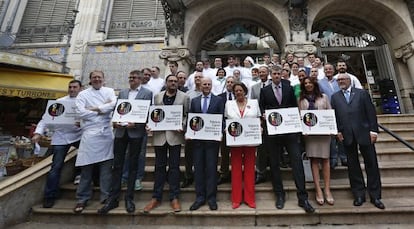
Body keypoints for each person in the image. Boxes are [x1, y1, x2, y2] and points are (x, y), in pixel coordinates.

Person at [259, 65, 315, 213]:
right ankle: (279, 195)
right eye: (274, 74)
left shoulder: (288, 86)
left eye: (279, 73)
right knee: (275, 164)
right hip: (273, 131)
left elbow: (293, 105)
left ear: (282, 74)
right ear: (271, 75)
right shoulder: (264, 90)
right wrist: (264, 115)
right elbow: (262, 107)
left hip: (290, 131)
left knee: (296, 162)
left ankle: (303, 197)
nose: (277, 76)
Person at [98, 70, 152, 214]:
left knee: (133, 165)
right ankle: (113, 198)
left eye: (134, 78)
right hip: (121, 132)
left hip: (136, 133)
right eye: (130, 77)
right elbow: (118, 110)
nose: (131, 80)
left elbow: (147, 112)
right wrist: (114, 122)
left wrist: (137, 124)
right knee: (117, 165)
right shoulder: (122, 93)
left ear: (140, 79)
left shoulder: (147, 93)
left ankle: (129, 198)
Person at [331, 73, 385, 210]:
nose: (341, 82)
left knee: (371, 164)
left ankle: (375, 195)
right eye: (339, 80)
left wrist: (374, 130)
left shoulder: (361, 94)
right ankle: (359, 194)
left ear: (349, 80)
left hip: (365, 133)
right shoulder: (335, 97)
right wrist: (337, 131)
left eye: (343, 79)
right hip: (347, 135)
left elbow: (371, 112)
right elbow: (335, 116)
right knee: (353, 166)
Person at [32, 80, 82, 208]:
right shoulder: (59, 102)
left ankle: (80, 175)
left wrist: (82, 123)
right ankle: (50, 196)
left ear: (80, 88)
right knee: (55, 167)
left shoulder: (84, 101)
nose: (72, 89)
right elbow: (45, 120)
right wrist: (38, 133)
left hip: (79, 136)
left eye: (75, 87)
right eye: (70, 87)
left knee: (88, 159)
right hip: (61, 137)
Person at [143, 74, 190, 213]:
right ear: (166, 82)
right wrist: (150, 124)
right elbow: (153, 113)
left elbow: (187, 115)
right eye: (171, 81)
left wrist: (182, 125)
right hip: (159, 136)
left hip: (175, 136)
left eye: (176, 81)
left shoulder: (184, 97)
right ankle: (156, 197)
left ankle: (174, 197)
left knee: (174, 168)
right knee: (159, 167)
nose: (173, 83)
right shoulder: (157, 96)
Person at [74, 70, 116, 213]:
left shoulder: (110, 91)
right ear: (90, 80)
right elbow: (80, 113)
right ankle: (82, 198)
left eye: (99, 77)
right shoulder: (83, 94)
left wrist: (94, 109)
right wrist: (102, 110)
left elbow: (113, 105)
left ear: (104, 79)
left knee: (106, 169)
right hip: (89, 134)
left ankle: (105, 196)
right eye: (94, 77)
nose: (97, 79)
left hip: (105, 133)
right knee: (86, 169)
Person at [188, 77, 224, 211]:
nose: (207, 86)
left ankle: (211, 198)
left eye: (209, 84)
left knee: (211, 169)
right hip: (197, 142)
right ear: (200, 85)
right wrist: (189, 132)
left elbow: (221, 119)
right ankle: (200, 197)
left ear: (211, 85)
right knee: (198, 169)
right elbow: (192, 120)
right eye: (204, 84)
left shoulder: (218, 100)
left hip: (212, 142)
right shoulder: (194, 101)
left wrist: (220, 132)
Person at [298, 77, 334, 206]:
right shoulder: (301, 100)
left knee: (325, 159)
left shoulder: (324, 97)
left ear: (314, 84)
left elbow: (329, 113)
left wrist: (331, 128)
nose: (308, 85)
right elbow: (299, 116)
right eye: (306, 83)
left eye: (310, 83)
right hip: (310, 135)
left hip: (324, 133)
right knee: (313, 160)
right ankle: (318, 190)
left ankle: (327, 189)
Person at [225, 82, 261, 209]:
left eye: (240, 90)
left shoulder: (254, 103)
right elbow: (226, 120)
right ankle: (236, 199)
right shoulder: (229, 104)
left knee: (250, 169)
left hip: (250, 140)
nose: (238, 92)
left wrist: (259, 128)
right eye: (236, 91)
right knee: (235, 169)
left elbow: (258, 118)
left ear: (245, 91)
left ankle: (250, 198)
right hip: (235, 140)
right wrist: (226, 129)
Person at [181, 71, 204, 188]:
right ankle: (188, 176)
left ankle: (201, 176)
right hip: (191, 128)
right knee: (189, 154)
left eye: (200, 77)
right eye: (196, 77)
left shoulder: (210, 93)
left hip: (205, 130)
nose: (198, 79)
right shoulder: (188, 94)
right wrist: (185, 127)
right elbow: (185, 112)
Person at [250, 66, 271, 184]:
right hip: (260, 122)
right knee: (261, 148)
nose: (262, 74)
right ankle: (260, 172)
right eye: (260, 72)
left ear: (268, 73)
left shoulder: (273, 85)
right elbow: (253, 105)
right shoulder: (254, 88)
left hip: (273, 121)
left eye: (264, 72)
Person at [217, 76, 236, 185]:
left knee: (236, 153)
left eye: (232, 82)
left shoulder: (239, 95)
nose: (229, 84)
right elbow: (219, 114)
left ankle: (236, 173)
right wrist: (224, 127)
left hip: (237, 129)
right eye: (228, 82)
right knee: (224, 153)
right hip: (224, 129)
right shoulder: (220, 97)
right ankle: (224, 173)